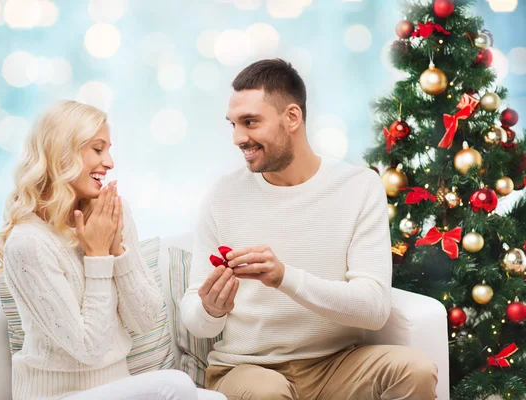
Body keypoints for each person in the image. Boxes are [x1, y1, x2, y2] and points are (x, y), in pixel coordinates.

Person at [180, 59, 438, 400]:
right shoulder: (222, 196)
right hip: (248, 369)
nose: (238, 138)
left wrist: (284, 278)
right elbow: (195, 319)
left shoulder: (358, 186)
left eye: (250, 122)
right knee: (267, 392)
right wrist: (211, 309)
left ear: (292, 117)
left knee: (415, 370)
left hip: (337, 364)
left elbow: (375, 309)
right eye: (233, 124)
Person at [0, 100, 226, 400]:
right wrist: (98, 257)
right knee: (177, 386)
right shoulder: (28, 244)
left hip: (117, 388)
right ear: (63, 154)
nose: (110, 162)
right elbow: (88, 349)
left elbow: (144, 321)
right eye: (98, 149)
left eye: (108, 149)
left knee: (214, 399)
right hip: (58, 395)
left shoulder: (112, 212)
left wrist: (118, 250)